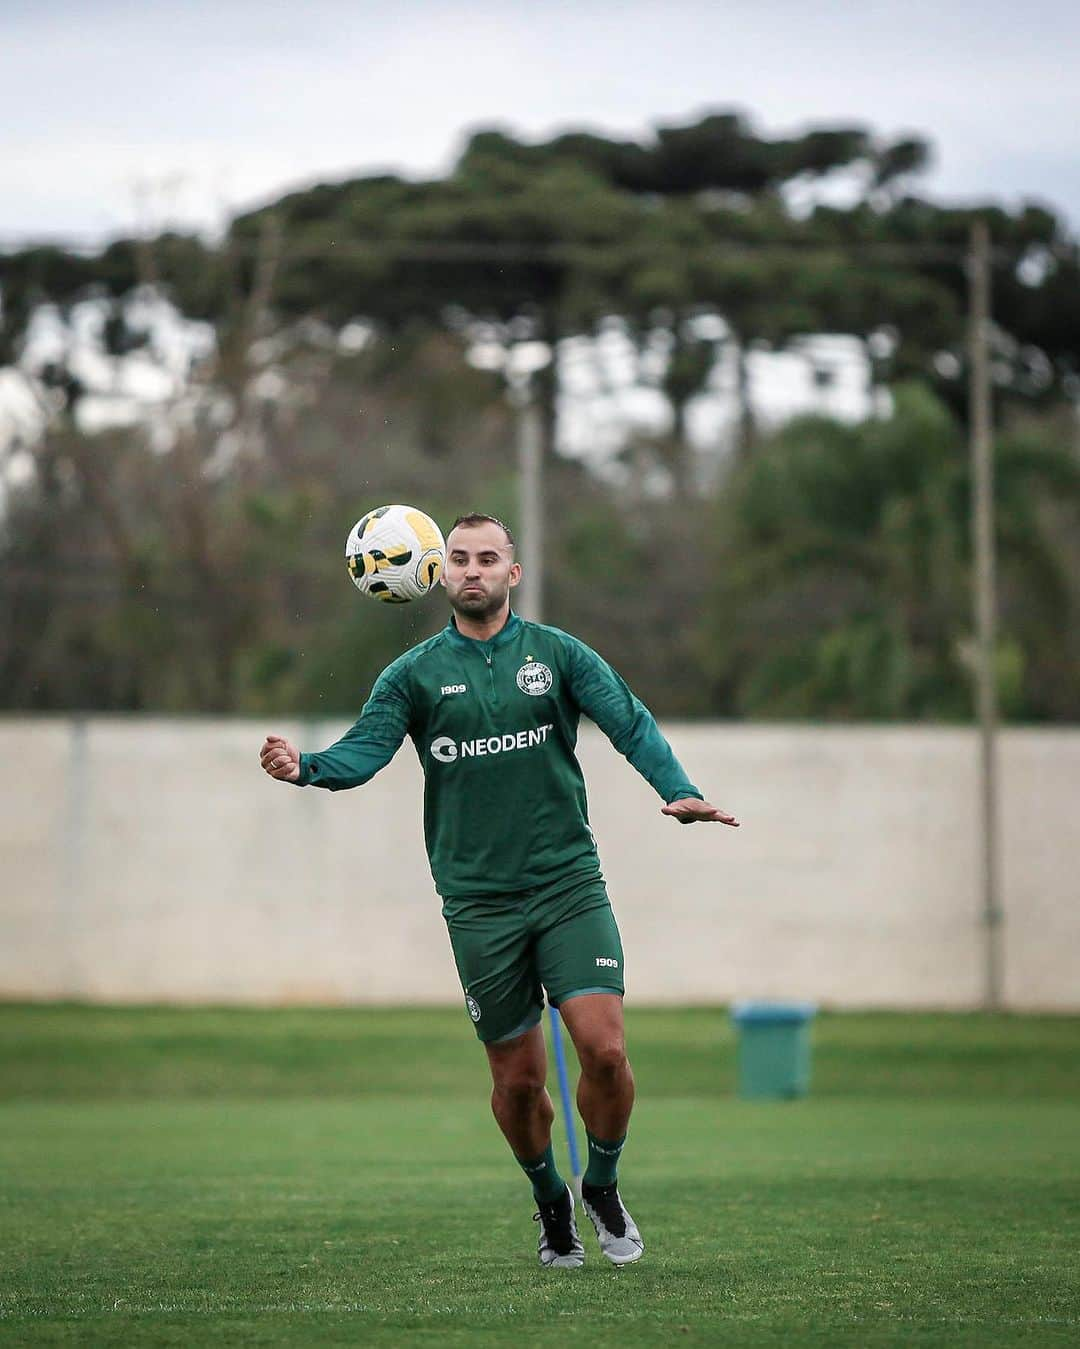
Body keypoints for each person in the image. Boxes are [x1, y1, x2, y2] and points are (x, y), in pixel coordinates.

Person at [259, 512, 738, 1269]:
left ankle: (603, 1183)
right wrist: (306, 766)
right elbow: (365, 751)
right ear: (438, 574)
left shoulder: (557, 655)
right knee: (518, 1084)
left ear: (513, 574)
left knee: (605, 1050)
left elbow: (631, 722)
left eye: (489, 558)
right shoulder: (411, 676)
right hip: (479, 905)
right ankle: (552, 1200)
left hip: (567, 884)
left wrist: (679, 789)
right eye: (460, 558)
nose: (473, 569)